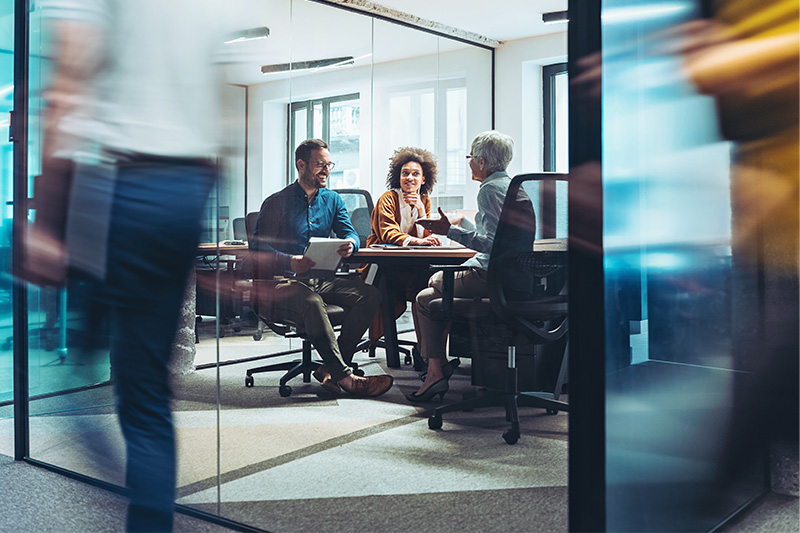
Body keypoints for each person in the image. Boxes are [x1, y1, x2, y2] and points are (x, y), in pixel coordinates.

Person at [31, 0, 228, 530]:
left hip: (124, 186)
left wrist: (48, 222)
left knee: (77, 381)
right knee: (146, 396)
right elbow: (215, 102)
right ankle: (151, 509)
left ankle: (146, 507)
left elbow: (68, 78)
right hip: (187, 189)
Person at [252, 139, 393, 398]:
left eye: (329, 164)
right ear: (301, 165)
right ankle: (347, 378)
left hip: (321, 279)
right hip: (282, 282)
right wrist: (289, 261)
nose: (326, 170)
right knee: (312, 301)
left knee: (370, 295)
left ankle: (329, 368)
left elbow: (350, 233)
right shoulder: (277, 202)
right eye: (320, 164)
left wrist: (351, 244)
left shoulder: (333, 200)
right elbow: (257, 251)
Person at [411, 130, 515, 402]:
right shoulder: (514, 186)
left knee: (433, 283)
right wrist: (460, 224)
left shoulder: (489, 190)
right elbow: (499, 235)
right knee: (427, 298)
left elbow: (492, 244)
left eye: (470, 157)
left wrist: (449, 232)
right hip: (511, 277)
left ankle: (435, 372)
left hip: (488, 275)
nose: (468, 163)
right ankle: (436, 370)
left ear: (481, 162)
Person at [363, 147, 440, 348]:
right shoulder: (388, 198)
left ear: (423, 179)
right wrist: (417, 241)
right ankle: (422, 351)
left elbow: (427, 235)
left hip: (409, 264)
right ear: (398, 176)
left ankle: (425, 350)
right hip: (382, 265)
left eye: (416, 174)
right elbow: (388, 233)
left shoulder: (424, 200)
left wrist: (422, 212)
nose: (409, 178)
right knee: (417, 284)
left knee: (426, 283)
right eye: (405, 173)